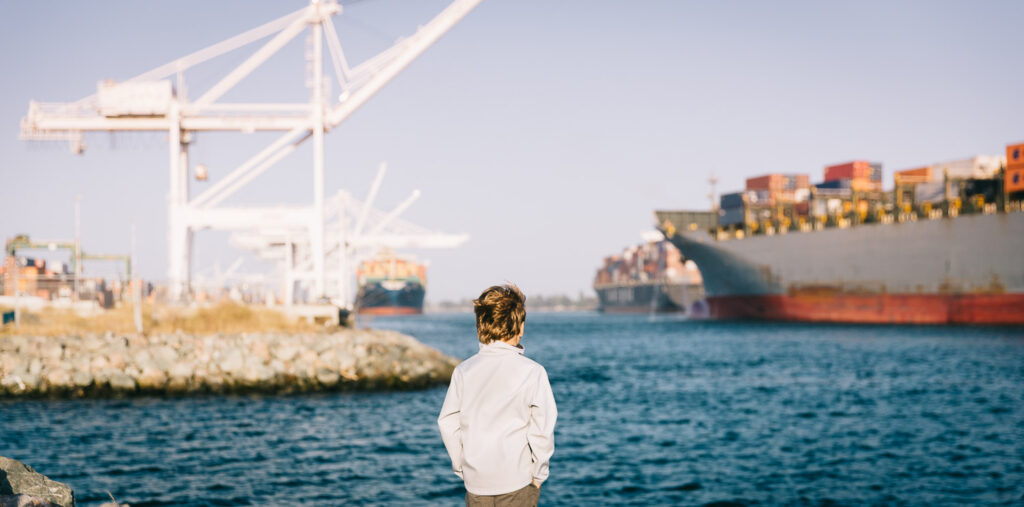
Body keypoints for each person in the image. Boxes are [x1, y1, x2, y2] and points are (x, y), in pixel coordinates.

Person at [438, 284, 557, 507]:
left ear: (480, 326)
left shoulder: (463, 371)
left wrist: (461, 466)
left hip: (476, 483)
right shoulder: (533, 372)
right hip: (517, 482)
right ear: (520, 327)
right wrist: (539, 474)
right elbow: (542, 430)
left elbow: (447, 423)